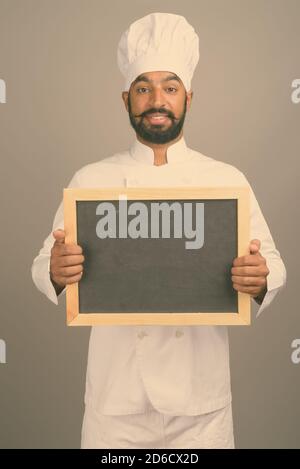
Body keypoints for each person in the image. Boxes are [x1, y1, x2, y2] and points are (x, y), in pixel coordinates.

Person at [31, 12, 286, 449]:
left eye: (170, 88)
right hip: (116, 405)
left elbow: (275, 266)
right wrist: (56, 270)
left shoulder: (227, 179)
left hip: (201, 407)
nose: (157, 99)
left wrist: (261, 279)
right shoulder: (90, 180)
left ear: (189, 97)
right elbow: (42, 265)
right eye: (143, 88)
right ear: (125, 99)